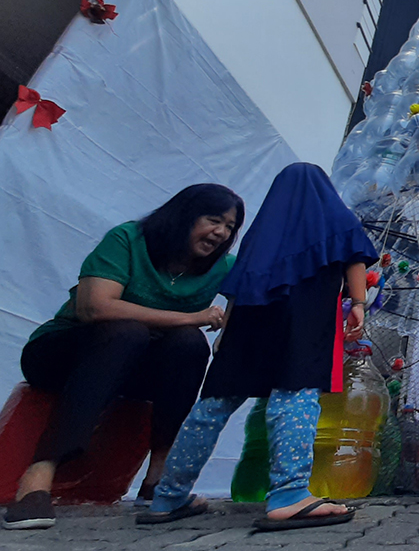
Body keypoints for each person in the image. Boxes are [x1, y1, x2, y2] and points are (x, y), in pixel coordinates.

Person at [137, 163, 377, 532]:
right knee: (294, 400)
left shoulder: (260, 234)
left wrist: (225, 333)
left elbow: (238, 284)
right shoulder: (336, 221)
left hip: (247, 328)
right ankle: (289, 494)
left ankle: (168, 495)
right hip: (302, 326)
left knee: (211, 406)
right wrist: (358, 304)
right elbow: (355, 259)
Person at [4, 184, 244, 530]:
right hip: (61, 356)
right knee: (125, 331)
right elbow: (95, 306)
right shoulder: (129, 240)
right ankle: (37, 478)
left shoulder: (221, 267)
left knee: (189, 344)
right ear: (185, 215)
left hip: (133, 370)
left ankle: (160, 476)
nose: (221, 233)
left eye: (230, 228)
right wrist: (192, 317)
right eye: (214, 220)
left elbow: (258, 288)